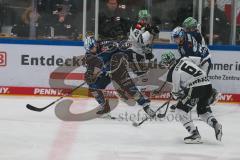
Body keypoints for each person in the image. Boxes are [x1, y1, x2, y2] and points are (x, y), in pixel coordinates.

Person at [157, 51, 223, 144]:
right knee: (202, 110)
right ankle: (215, 124)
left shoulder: (175, 72)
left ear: (167, 63)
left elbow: (175, 94)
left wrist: (175, 94)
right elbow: (200, 61)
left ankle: (194, 134)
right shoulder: (185, 58)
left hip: (196, 88)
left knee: (180, 110)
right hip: (208, 85)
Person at [84, 36, 155, 117]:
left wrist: (124, 46)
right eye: (89, 49)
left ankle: (145, 106)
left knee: (129, 87)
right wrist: (90, 76)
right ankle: (104, 107)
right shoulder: (89, 55)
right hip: (106, 73)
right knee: (93, 86)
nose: (91, 50)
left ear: (96, 44)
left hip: (118, 70)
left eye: (92, 47)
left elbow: (124, 46)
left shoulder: (106, 45)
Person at [126, 9, 160, 75]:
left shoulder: (145, 26)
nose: (147, 20)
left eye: (148, 18)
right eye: (145, 19)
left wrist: (147, 52)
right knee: (141, 76)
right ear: (140, 19)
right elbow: (139, 40)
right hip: (133, 53)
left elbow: (143, 44)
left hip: (138, 54)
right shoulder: (137, 26)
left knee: (143, 76)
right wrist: (149, 32)